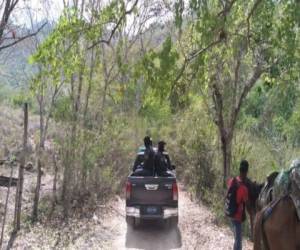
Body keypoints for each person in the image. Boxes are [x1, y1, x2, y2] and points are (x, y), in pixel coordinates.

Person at [227, 160, 249, 250]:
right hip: (237, 217)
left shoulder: (232, 180)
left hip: (230, 213)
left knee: (236, 239)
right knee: (239, 241)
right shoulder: (244, 188)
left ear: (239, 170)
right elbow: (246, 200)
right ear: (246, 172)